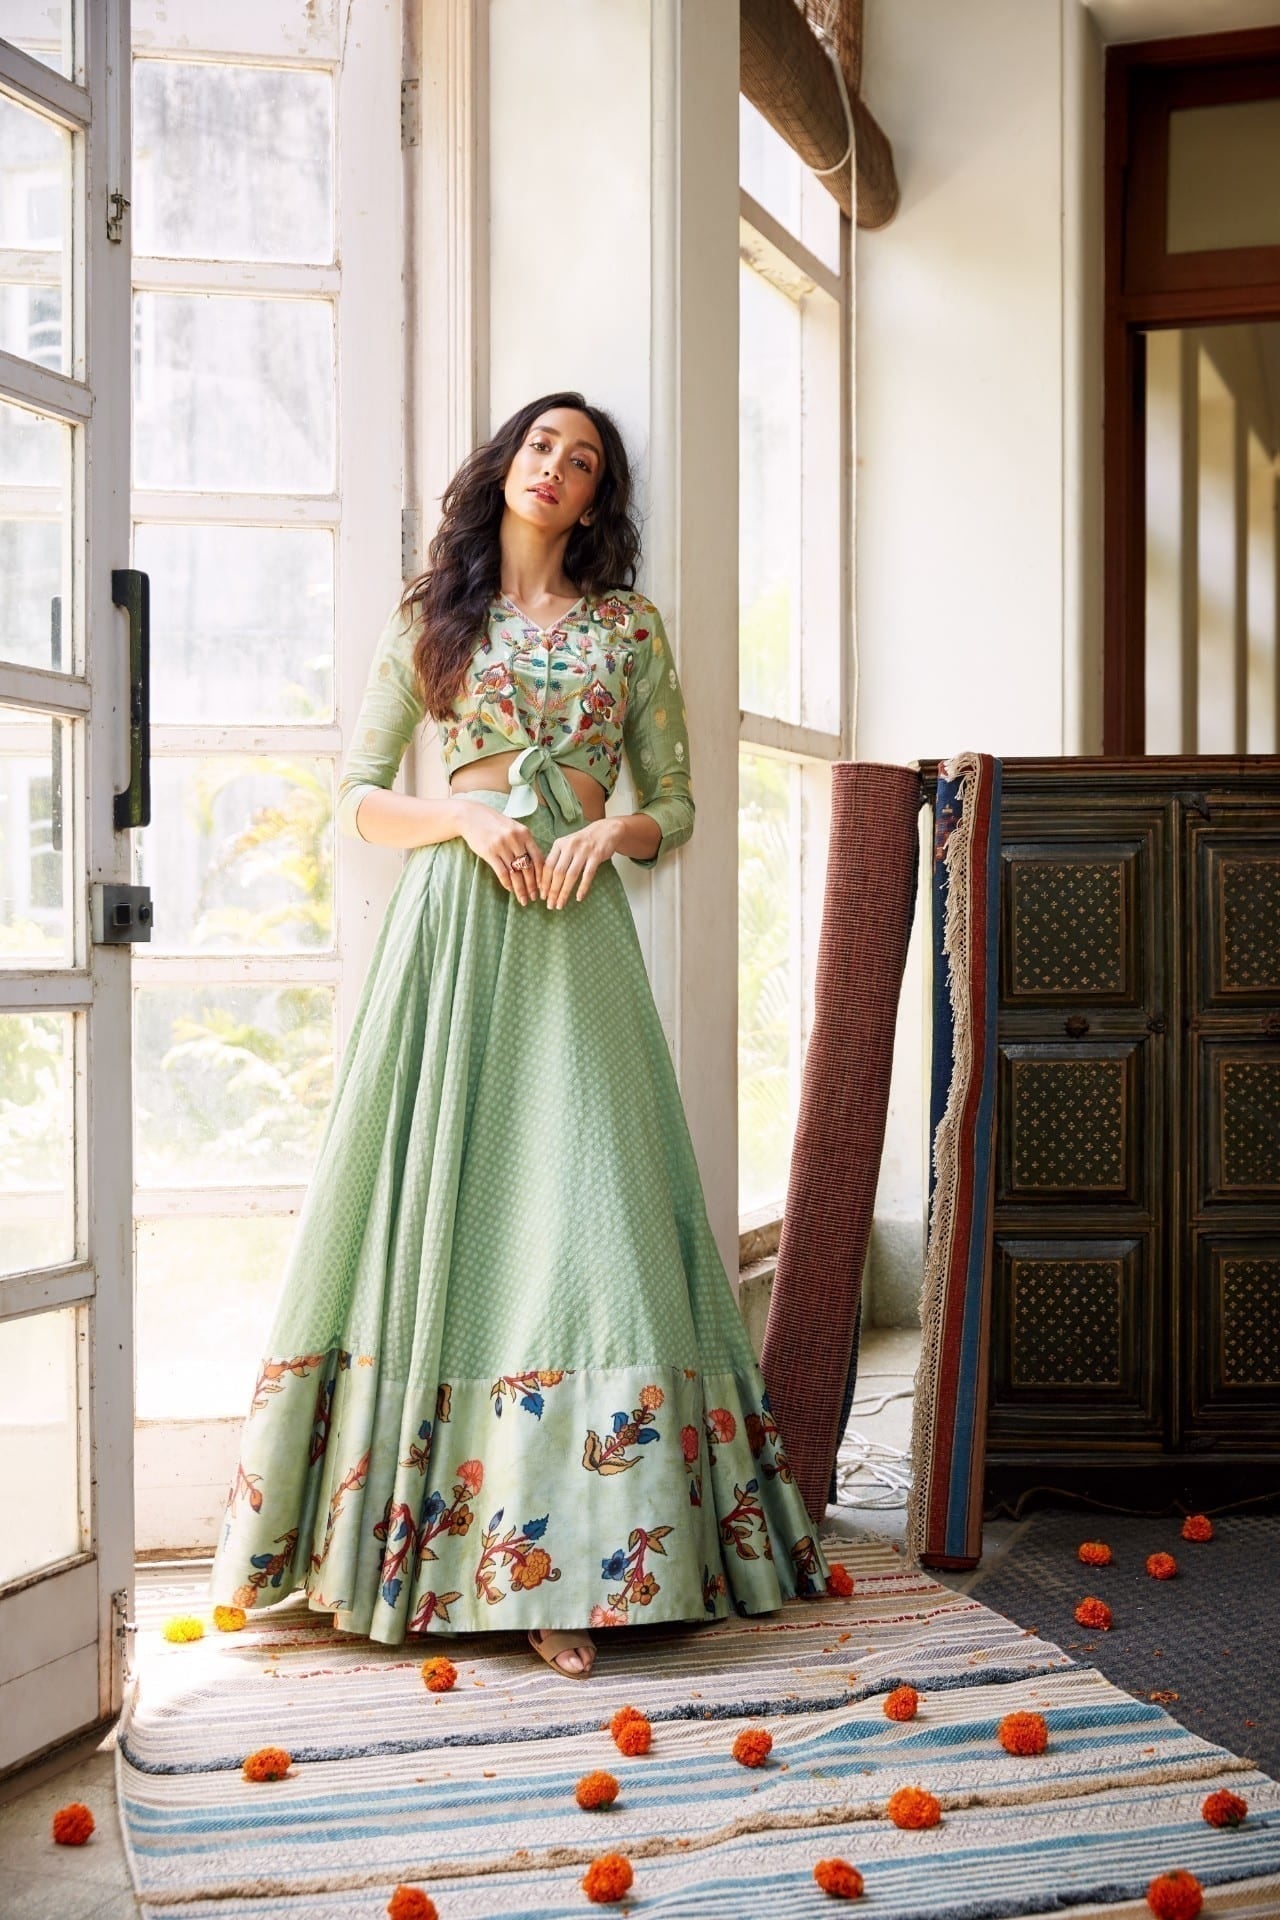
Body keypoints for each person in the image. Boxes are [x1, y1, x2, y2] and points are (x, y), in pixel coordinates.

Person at [209, 389, 832, 1679]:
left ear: (598, 497)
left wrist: (611, 831)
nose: (557, 468)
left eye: (584, 459)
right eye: (541, 445)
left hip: (577, 937)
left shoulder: (627, 630)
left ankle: (590, 1566)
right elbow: (365, 797)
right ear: (505, 468)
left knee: (589, 1220)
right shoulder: (433, 619)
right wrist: (466, 821)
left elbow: (679, 804)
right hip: (457, 933)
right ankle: (434, 1558)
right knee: (446, 1220)